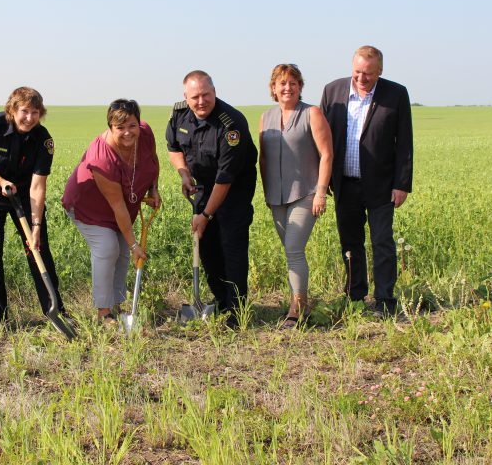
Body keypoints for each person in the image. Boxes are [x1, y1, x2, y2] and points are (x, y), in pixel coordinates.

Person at [320, 46, 413, 317]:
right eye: (358, 72)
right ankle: (355, 296)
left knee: (382, 241)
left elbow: (404, 142)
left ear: (380, 72)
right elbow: (322, 140)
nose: (362, 78)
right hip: (344, 184)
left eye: (369, 74)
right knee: (350, 243)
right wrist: (322, 181)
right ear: (352, 68)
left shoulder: (395, 94)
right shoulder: (332, 91)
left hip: (382, 185)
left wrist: (402, 183)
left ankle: (385, 300)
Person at [165, 71, 258, 327]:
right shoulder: (179, 114)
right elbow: (173, 148)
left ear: (214, 91)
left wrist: (205, 215)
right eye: (195, 97)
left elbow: (225, 178)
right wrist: (184, 174)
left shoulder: (231, 124)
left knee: (231, 248)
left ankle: (238, 311)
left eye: (206, 94)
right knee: (207, 248)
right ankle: (221, 300)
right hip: (203, 188)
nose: (201, 101)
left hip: (233, 190)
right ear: (186, 97)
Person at [0, 87, 65, 327]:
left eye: (35, 112)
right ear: (12, 109)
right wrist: (0, 181)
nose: (29, 118)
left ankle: (55, 311)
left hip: (24, 195)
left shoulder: (43, 140)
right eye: (24, 111)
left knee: (38, 250)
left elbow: (38, 185)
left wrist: (36, 226)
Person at [62, 99, 160, 324]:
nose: (128, 132)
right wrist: (136, 245)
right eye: (120, 127)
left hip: (122, 203)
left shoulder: (145, 133)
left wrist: (153, 188)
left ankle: (117, 305)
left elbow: (152, 161)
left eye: (132, 125)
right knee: (108, 248)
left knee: (123, 250)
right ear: (110, 127)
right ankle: (103, 313)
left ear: (139, 123)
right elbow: (117, 205)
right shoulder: (102, 158)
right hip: (88, 205)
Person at [259, 64, 333, 327]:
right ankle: (297, 299)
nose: (287, 88)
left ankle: (297, 309)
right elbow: (264, 159)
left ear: (300, 87)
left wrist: (321, 193)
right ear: (273, 88)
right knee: (290, 251)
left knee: (294, 249)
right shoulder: (266, 117)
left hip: (306, 193)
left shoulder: (311, 113)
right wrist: (267, 192)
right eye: (282, 83)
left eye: (293, 83)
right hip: (276, 196)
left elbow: (326, 154)